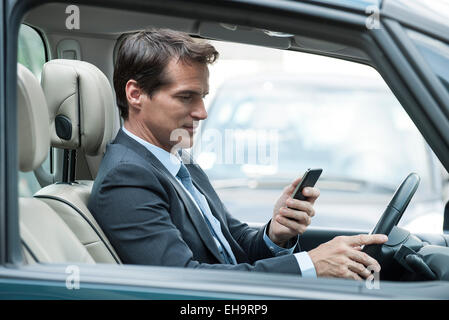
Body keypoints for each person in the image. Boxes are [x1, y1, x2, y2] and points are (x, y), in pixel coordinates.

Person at [88, 28, 388, 280]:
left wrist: (276, 233)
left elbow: (230, 244)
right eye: (185, 97)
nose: (202, 112)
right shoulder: (126, 178)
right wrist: (311, 264)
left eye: (203, 97)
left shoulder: (176, 160)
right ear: (135, 94)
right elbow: (184, 284)